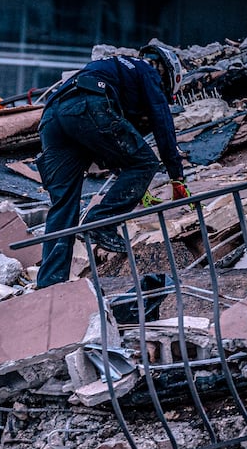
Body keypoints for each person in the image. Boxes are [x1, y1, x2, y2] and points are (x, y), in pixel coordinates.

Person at [35, 42, 191, 289]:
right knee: (146, 162)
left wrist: (136, 186)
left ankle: (49, 284)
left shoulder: (116, 72)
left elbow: (110, 148)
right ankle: (102, 223)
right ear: (167, 75)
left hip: (52, 117)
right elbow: (162, 121)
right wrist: (176, 176)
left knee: (63, 204)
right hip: (89, 104)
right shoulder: (147, 70)